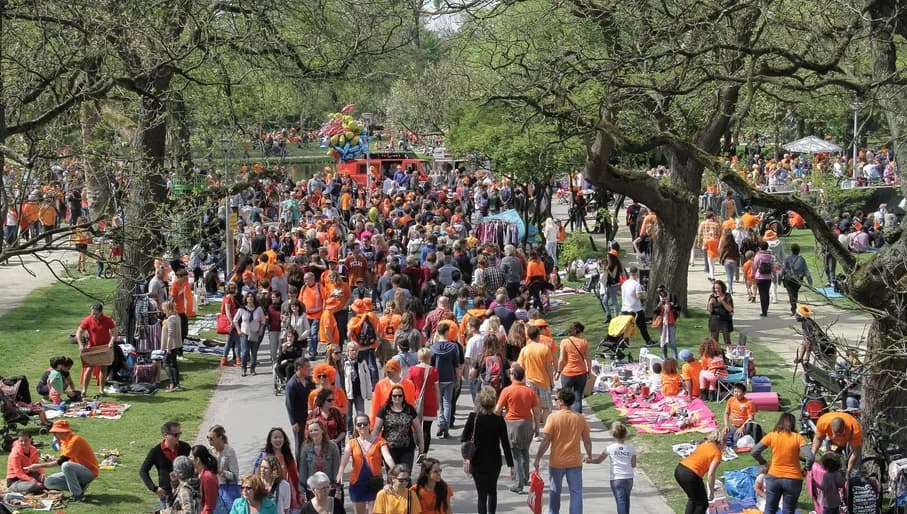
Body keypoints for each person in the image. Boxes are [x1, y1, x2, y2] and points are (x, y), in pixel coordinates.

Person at [533, 388, 592, 514]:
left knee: (555, 491)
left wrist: (538, 457)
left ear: (561, 402)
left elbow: (546, 441)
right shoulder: (580, 418)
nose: (555, 401)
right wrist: (588, 454)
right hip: (575, 462)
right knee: (576, 492)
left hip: (557, 462)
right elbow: (587, 440)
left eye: (556, 399)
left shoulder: (553, 418)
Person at [462, 386, 513, 514]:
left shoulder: (473, 417)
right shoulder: (499, 420)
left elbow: (464, 437)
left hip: (477, 461)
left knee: (482, 495)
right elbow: (505, 443)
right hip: (494, 462)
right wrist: (511, 465)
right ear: (494, 401)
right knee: (492, 491)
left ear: (480, 400)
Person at [751, 412, 812, 514]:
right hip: (793, 480)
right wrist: (805, 469)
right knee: (788, 510)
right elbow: (810, 457)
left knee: (770, 509)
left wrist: (765, 463)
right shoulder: (798, 437)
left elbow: (754, 451)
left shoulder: (772, 435)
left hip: (774, 477)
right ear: (792, 424)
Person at [336, 414, 394, 514]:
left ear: (369, 425)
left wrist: (395, 470)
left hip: (375, 481)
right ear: (355, 426)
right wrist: (340, 472)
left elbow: (387, 457)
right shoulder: (352, 442)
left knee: (375, 512)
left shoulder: (380, 441)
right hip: (357, 481)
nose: (362, 426)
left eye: (365, 424)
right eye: (359, 424)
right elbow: (345, 457)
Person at [494, 363, 539, 494]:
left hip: (512, 424)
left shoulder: (507, 391)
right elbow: (536, 411)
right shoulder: (530, 391)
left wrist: (499, 419)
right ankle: (525, 478)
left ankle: (518, 484)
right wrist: (537, 427)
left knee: (516, 454)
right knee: (525, 451)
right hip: (527, 423)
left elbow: (497, 409)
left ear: (513, 376)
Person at [28, 420, 98, 502]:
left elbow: (61, 462)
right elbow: (63, 458)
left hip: (89, 472)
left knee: (66, 465)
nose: (54, 435)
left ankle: (78, 495)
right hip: (76, 471)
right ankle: (80, 488)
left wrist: (39, 466)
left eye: (55, 432)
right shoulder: (64, 441)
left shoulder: (75, 440)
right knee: (49, 482)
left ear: (63, 432)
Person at [140, 421, 192, 510]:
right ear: (165, 435)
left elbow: (193, 467)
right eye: (175, 435)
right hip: (166, 494)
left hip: (184, 492)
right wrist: (154, 488)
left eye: (179, 434)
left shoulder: (185, 447)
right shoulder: (156, 451)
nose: (178, 437)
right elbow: (143, 471)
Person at [372, 384, 424, 470]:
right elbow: (376, 430)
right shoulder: (384, 409)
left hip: (407, 449)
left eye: (400, 395)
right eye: (394, 395)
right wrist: (374, 449)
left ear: (403, 397)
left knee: (405, 475)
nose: (397, 398)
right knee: (392, 475)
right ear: (391, 397)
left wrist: (421, 447)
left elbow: (418, 429)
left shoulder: (409, 409)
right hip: (389, 449)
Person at [590, 422, 637, 514]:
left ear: (613, 435)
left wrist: (589, 461)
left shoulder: (610, 448)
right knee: (626, 501)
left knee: (620, 502)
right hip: (628, 478)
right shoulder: (631, 448)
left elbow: (599, 460)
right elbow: (633, 464)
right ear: (625, 434)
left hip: (616, 478)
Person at [252, 428, 302, 513]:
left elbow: (294, 476)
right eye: (275, 437)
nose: (278, 440)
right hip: (266, 490)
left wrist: (299, 492)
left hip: (283, 489)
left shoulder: (287, 455)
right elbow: (256, 474)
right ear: (270, 440)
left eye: (280, 437)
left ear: (284, 439)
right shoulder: (263, 455)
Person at [674, 431, 724, 514]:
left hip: (680, 469)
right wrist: (711, 492)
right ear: (721, 442)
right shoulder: (717, 453)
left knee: (693, 499)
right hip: (691, 474)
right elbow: (711, 474)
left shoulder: (704, 445)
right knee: (702, 504)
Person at [429, 322, 462, 439]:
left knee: (439, 403)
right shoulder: (453, 347)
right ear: (447, 332)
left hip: (437, 379)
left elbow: (431, 365)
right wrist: (458, 379)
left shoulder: (433, 348)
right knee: (447, 403)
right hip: (449, 377)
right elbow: (456, 365)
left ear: (438, 333)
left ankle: (441, 422)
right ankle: (446, 426)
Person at [75, 302, 117, 396]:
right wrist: (80, 344)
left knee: (103, 368)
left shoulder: (107, 320)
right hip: (92, 347)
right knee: (89, 368)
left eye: (95, 313)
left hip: (104, 347)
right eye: (92, 313)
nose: (93, 315)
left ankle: (101, 390)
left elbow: (114, 332)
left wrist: (111, 341)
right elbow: (79, 332)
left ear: (101, 312)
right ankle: (84, 390)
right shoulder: (88, 320)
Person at [407, 347, 440, 453]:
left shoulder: (412, 370)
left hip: (415, 400)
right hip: (430, 401)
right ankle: (424, 453)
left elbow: (409, 386)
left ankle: (414, 448)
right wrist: (438, 403)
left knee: (414, 427)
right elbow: (436, 389)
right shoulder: (433, 371)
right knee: (427, 429)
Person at [299, 419, 341, 497]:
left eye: (316, 430)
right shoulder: (305, 447)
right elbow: (303, 470)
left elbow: (337, 468)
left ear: (322, 430)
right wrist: (301, 491)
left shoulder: (332, 446)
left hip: (329, 487)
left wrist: (338, 488)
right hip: (312, 489)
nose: (313, 432)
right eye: (311, 431)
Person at [555, 322, 590, 413]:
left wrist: (558, 372)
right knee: (578, 397)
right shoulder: (584, 342)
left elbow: (562, 359)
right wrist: (589, 371)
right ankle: (577, 417)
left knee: (565, 397)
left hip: (567, 373)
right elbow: (588, 359)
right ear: (580, 332)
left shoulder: (565, 342)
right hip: (581, 372)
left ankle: (566, 416)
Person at [206, 425, 241, 513]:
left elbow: (235, 476)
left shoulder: (229, 451)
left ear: (220, 438)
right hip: (213, 487)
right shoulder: (209, 451)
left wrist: (221, 472)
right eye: (208, 438)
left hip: (226, 489)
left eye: (211, 438)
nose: (209, 440)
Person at [285, 357, 314, 459]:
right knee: (300, 443)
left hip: (309, 417)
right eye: (307, 367)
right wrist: (293, 422)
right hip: (299, 419)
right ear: (299, 368)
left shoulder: (308, 380)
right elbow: (289, 404)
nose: (309, 369)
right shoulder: (292, 385)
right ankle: (300, 468)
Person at [620, 265, 655, 346]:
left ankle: (623, 342)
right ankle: (648, 341)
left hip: (625, 309)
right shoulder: (636, 284)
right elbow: (638, 296)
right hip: (635, 310)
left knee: (626, 328)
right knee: (642, 327)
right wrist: (645, 296)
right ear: (636, 273)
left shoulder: (625, 283)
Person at [233, 292, 267, 376]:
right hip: (245, 333)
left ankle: (252, 368)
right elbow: (235, 320)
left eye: (252, 297)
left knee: (254, 352)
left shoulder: (258, 309)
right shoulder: (242, 309)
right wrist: (238, 330)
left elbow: (263, 321)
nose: (250, 298)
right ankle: (243, 368)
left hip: (255, 333)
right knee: (245, 352)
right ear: (246, 299)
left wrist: (261, 329)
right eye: (248, 297)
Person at [780, 243, 812, 316]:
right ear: (799, 251)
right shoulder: (802, 259)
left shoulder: (787, 259)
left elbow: (782, 270)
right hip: (798, 280)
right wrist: (810, 281)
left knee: (791, 294)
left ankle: (794, 309)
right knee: (794, 293)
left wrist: (779, 279)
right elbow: (806, 271)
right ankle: (794, 308)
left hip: (788, 279)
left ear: (791, 250)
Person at [160, 301, 184, 392]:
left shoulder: (171, 319)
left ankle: (172, 383)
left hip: (172, 345)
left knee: (165, 363)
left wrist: (168, 347)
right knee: (173, 363)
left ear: (167, 309)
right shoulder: (177, 317)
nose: (162, 310)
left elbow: (171, 334)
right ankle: (176, 383)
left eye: (163, 308)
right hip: (176, 344)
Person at [191, 445, 220, 514]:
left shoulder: (208, 477)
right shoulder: (197, 475)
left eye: (191, 457)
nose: (189, 459)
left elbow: (209, 505)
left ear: (197, 460)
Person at [653, 285, 680, 360]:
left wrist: (671, 304)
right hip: (662, 323)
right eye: (659, 293)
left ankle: (675, 359)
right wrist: (659, 304)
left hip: (671, 322)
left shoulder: (672, 296)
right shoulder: (657, 299)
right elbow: (654, 311)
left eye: (661, 292)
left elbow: (678, 307)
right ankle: (664, 358)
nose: (661, 295)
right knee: (663, 341)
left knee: (672, 342)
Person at [753, 241, 777, 317]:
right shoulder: (771, 256)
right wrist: (775, 276)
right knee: (766, 293)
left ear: (759, 248)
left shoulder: (757, 256)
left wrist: (752, 275)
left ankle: (764, 311)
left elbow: (754, 267)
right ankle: (766, 308)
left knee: (762, 294)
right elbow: (773, 268)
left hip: (759, 277)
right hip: (768, 277)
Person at [707, 280, 734, 345]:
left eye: (718, 288)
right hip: (714, 319)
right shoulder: (712, 296)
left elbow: (730, 309)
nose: (717, 290)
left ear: (722, 287)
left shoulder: (727, 296)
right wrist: (710, 304)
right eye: (715, 288)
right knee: (714, 341)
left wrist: (722, 302)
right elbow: (709, 310)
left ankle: (728, 353)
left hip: (725, 320)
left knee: (727, 341)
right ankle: (715, 354)